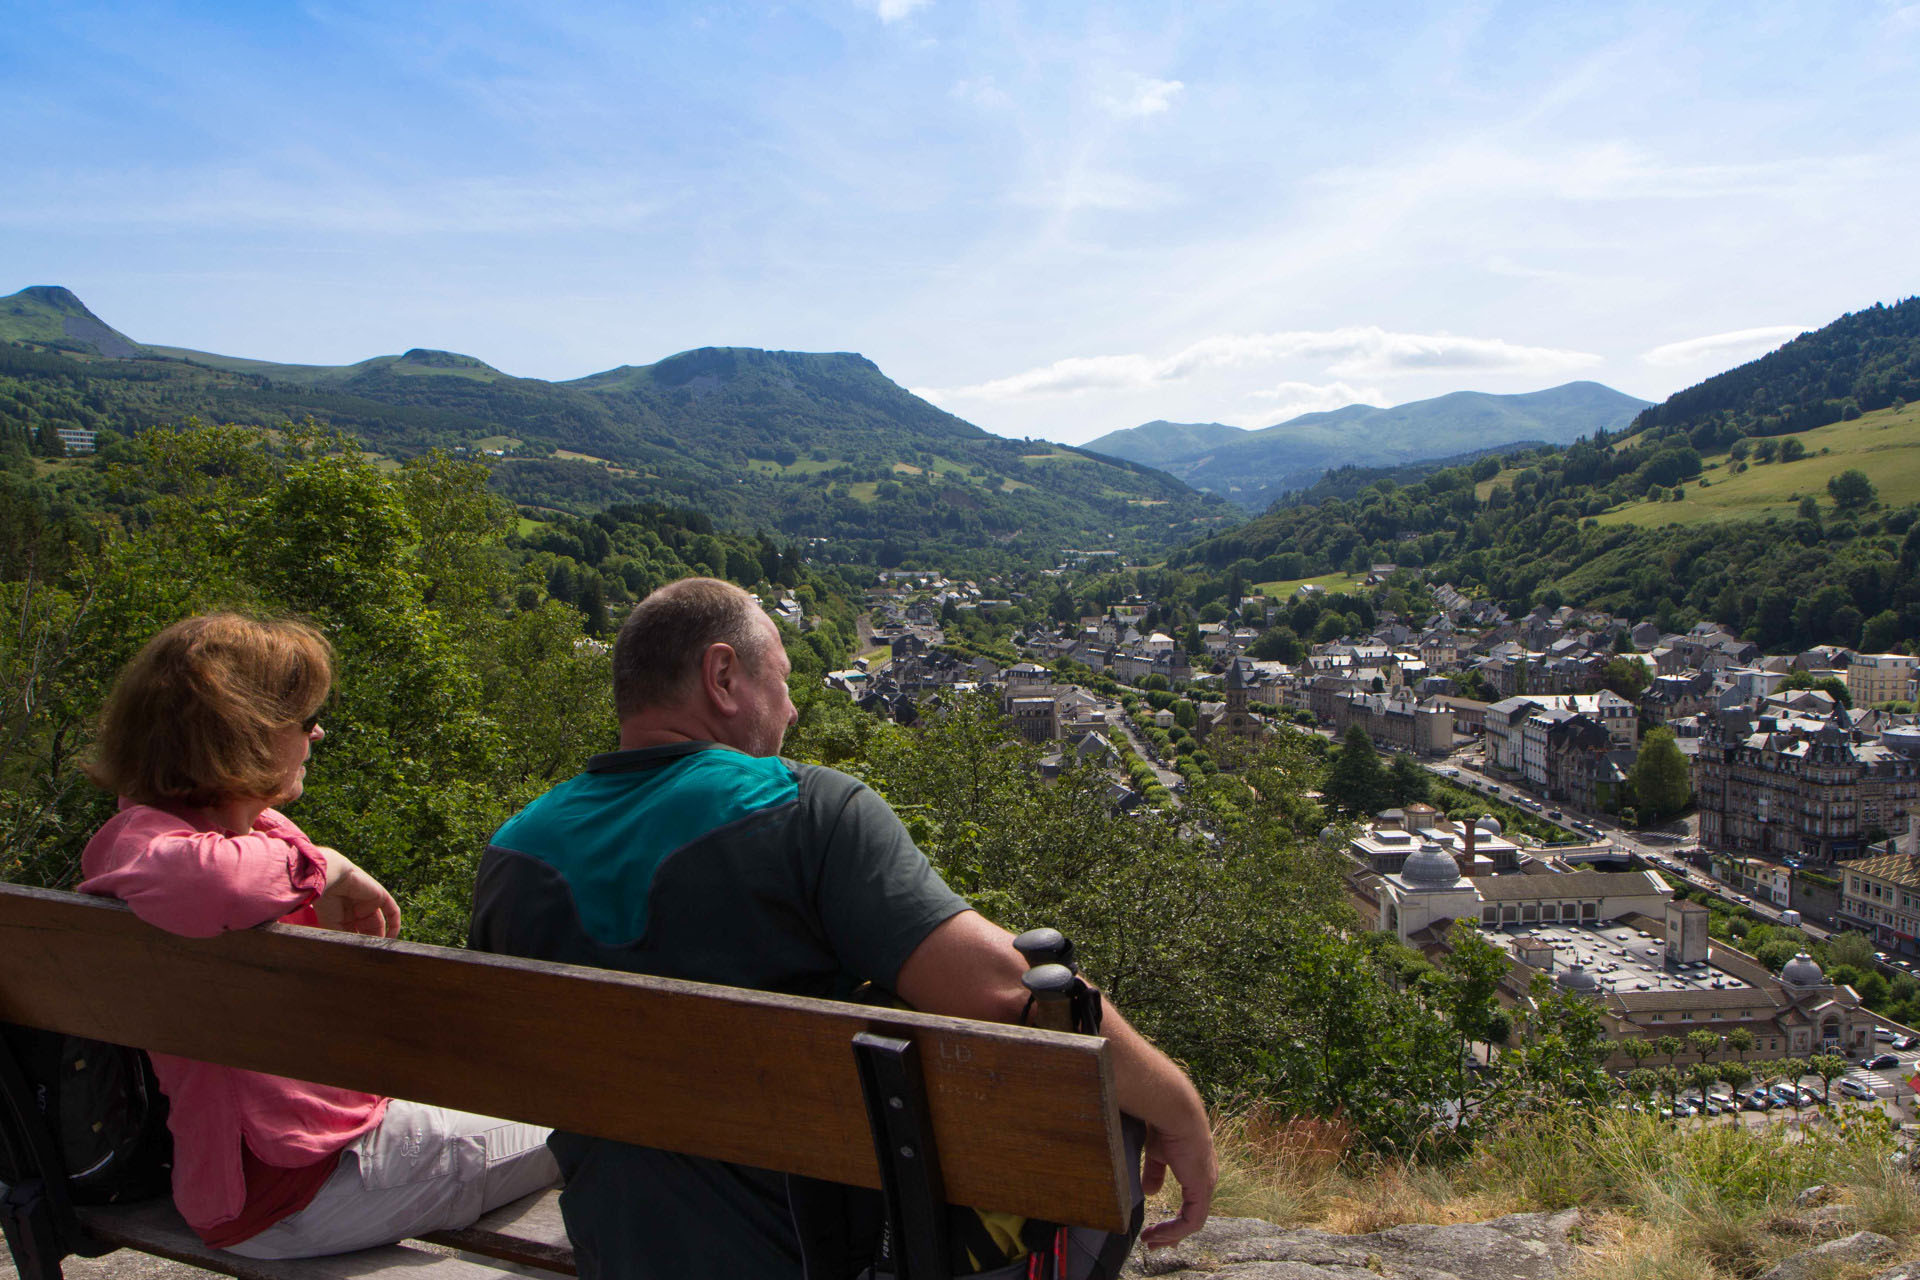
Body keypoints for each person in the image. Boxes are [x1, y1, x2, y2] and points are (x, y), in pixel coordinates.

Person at [469, 577, 1215, 1279]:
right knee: (1101, 1091)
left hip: (618, 1253)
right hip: (821, 1260)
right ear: (723, 678)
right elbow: (1010, 996)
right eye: (783, 678)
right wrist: (1179, 1106)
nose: (792, 708)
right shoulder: (806, 812)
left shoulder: (511, 853)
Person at [78, 613, 559, 1258]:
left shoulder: (238, 836)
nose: (318, 733)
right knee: (598, 1123)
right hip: (303, 1188)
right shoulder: (149, 848)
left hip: (305, 1165)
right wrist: (328, 865)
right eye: (305, 722)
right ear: (243, 738)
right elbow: (215, 884)